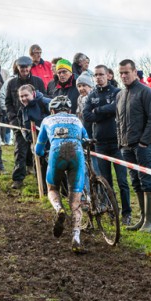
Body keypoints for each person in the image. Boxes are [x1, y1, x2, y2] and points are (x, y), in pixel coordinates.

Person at [34, 96, 89, 253]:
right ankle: (76, 239)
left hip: (56, 152)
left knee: (52, 188)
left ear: (52, 110)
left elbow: (38, 149)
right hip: (76, 152)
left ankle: (59, 209)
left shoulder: (47, 120)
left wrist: (42, 152)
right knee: (76, 200)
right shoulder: (77, 120)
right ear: (69, 110)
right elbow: (86, 138)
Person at [83, 65, 132, 225]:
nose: (98, 77)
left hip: (118, 143)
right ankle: (112, 210)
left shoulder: (117, 92)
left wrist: (98, 111)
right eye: (96, 75)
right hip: (100, 143)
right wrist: (103, 112)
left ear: (108, 76)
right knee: (106, 181)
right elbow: (87, 115)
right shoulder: (91, 95)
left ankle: (127, 213)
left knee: (123, 181)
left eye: (101, 74)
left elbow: (116, 108)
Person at [116, 59, 151, 233]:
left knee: (146, 180)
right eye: (121, 73)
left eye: (126, 72)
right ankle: (142, 218)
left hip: (143, 146)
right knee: (135, 181)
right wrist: (120, 142)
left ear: (134, 72)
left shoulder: (146, 91)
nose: (124, 76)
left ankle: (150, 221)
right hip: (126, 146)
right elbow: (118, 120)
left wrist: (144, 142)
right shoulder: (120, 94)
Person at [4, 56, 47, 188]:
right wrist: (13, 118)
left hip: (37, 122)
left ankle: (42, 180)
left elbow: (43, 99)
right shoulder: (11, 83)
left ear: (30, 67)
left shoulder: (38, 81)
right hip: (19, 122)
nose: (24, 69)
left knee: (40, 151)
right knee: (20, 151)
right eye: (21, 67)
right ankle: (18, 179)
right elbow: (8, 102)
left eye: (26, 66)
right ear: (17, 68)